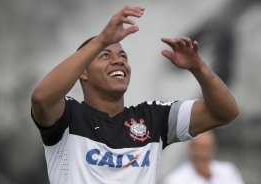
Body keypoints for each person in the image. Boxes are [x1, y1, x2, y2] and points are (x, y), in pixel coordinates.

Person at [30, 6, 239, 184]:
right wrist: (102, 39)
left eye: (123, 56)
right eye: (105, 55)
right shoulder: (68, 116)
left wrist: (199, 68)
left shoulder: (154, 117)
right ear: (82, 71)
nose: (119, 60)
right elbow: (41, 98)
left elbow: (225, 112)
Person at [161, 131, 244, 184]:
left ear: (214, 149)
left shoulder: (229, 170)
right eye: (199, 148)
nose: (203, 154)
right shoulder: (174, 180)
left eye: (207, 148)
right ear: (190, 149)